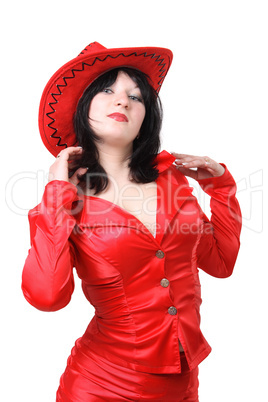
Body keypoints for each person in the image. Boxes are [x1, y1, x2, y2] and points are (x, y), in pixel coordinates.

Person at [21, 42, 242, 401]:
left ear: (146, 118)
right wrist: (54, 194)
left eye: (136, 97)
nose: (122, 101)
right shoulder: (68, 202)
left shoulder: (172, 182)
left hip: (183, 388)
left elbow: (221, 263)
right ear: (83, 108)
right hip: (100, 386)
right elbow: (47, 296)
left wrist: (220, 186)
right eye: (107, 90)